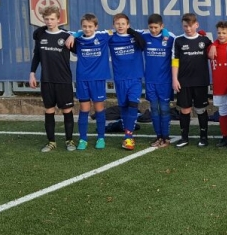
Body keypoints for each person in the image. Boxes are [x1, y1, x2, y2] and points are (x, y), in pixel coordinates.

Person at [29, 6, 75, 152]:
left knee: (67, 110)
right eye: (47, 19)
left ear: (58, 19)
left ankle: (69, 141)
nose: (49, 21)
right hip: (47, 80)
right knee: (49, 110)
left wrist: (74, 35)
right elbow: (37, 56)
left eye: (52, 19)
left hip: (64, 80)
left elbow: (78, 47)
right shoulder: (40, 35)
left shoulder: (67, 35)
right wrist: (32, 73)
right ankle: (51, 142)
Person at [172, 13, 215, 147]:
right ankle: (184, 138)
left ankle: (204, 137)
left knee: (201, 109)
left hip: (200, 81)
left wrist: (213, 45)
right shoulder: (178, 40)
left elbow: (215, 49)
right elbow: (175, 61)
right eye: (185, 26)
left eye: (191, 26)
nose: (188, 29)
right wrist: (174, 79)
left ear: (197, 25)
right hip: (183, 81)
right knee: (185, 110)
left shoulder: (205, 40)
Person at [69, 13, 111, 150]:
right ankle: (83, 139)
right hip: (82, 79)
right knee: (84, 109)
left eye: (90, 26)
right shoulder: (78, 39)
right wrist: (74, 35)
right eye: (84, 26)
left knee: (99, 109)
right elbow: (63, 33)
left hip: (98, 79)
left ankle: (101, 138)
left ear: (96, 27)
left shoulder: (103, 36)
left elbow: (119, 30)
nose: (87, 29)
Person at [109, 13, 147, 150]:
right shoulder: (110, 37)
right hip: (120, 79)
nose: (120, 26)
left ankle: (128, 137)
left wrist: (131, 31)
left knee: (132, 104)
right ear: (113, 25)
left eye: (123, 24)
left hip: (135, 78)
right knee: (124, 106)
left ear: (128, 25)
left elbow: (155, 33)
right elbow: (89, 33)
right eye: (117, 24)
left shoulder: (136, 35)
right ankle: (127, 132)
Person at [141, 14, 175, 148]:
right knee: (154, 110)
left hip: (165, 81)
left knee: (165, 109)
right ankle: (158, 136)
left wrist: (165, 32)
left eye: (156, 27)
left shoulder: (170, 37)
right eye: (151, 27)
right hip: (150, 81)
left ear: (162, 26)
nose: (153, 30)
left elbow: (178, 52)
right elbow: (129, 31)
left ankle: (166, 137)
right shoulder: (144, 36)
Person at [210, 21, 227, 148]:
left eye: (224, 33)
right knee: (222, 111)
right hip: (219, 85)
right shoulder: (212, 47)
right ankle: (225, 136)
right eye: (219, 33)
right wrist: (214, 44)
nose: (221, 35)